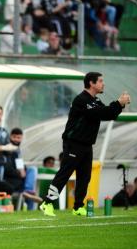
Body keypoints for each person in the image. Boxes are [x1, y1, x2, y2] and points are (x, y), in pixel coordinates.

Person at [40, 72, 130, 217]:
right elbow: (99, 113)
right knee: (65, 173)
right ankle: (47, 203)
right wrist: (119, 103)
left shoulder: (95, 101)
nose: (103, 84)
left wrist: (120, 105)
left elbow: (108, 114)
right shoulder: (81, 100)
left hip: (87, 145)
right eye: (100, 81)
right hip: (73, 143)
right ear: (91, 83)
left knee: (84, 176)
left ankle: (78, 207)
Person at [4, 128, 41, 209]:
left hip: (20, 179)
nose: (16, 140)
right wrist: (19, 173)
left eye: (19, 138)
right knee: (29, 190)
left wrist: (22, 171)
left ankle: (28, 192)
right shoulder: (7, 149)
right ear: (10, 137)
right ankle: (28, 192)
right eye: (14, 137)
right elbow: (7, 169)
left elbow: (20, 166)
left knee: (32, 169)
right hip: (11, 181)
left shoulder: (17, 151)